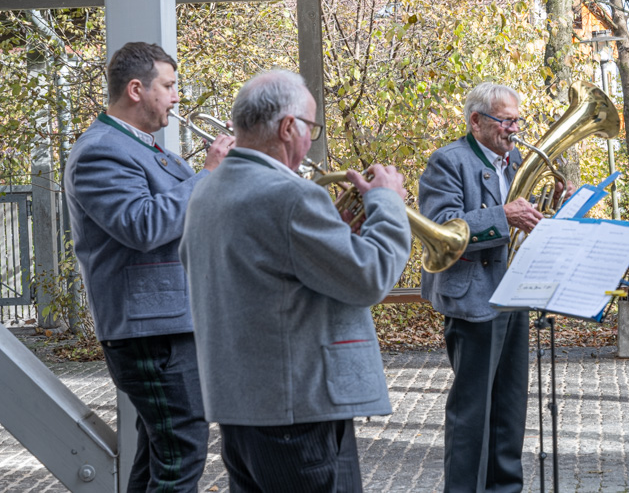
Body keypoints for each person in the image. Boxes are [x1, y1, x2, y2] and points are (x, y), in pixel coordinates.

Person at [179, 69, 411, 493]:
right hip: (298, 410)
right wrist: (387, 203)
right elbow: (372, 277)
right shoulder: (291, 195)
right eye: (311, 128)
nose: (310, 140)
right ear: (288, 127)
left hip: (242, 408)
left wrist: (335, 238)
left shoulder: (207, 192)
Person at [64, 41, 234, 492]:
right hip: (150, 330)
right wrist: (209, 174)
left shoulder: (146, 149)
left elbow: (185, 221)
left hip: (167, 325)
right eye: (169, 86)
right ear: (136, 89)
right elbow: (141, 225)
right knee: (183, 449)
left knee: (163, 452)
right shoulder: (101, 151)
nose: (177, 97)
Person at [419, 82, 546, 493]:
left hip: (513, 292)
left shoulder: (517, 160)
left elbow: (525, 220)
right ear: (476, 121)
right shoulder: (448, 161)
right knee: (472, 410)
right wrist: (502, 215)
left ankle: (505, 488)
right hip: (473, 296)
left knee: (510, 404)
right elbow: (441, 227)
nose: (515, 129)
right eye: (506, 121)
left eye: (517, 120)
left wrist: (551, 202)